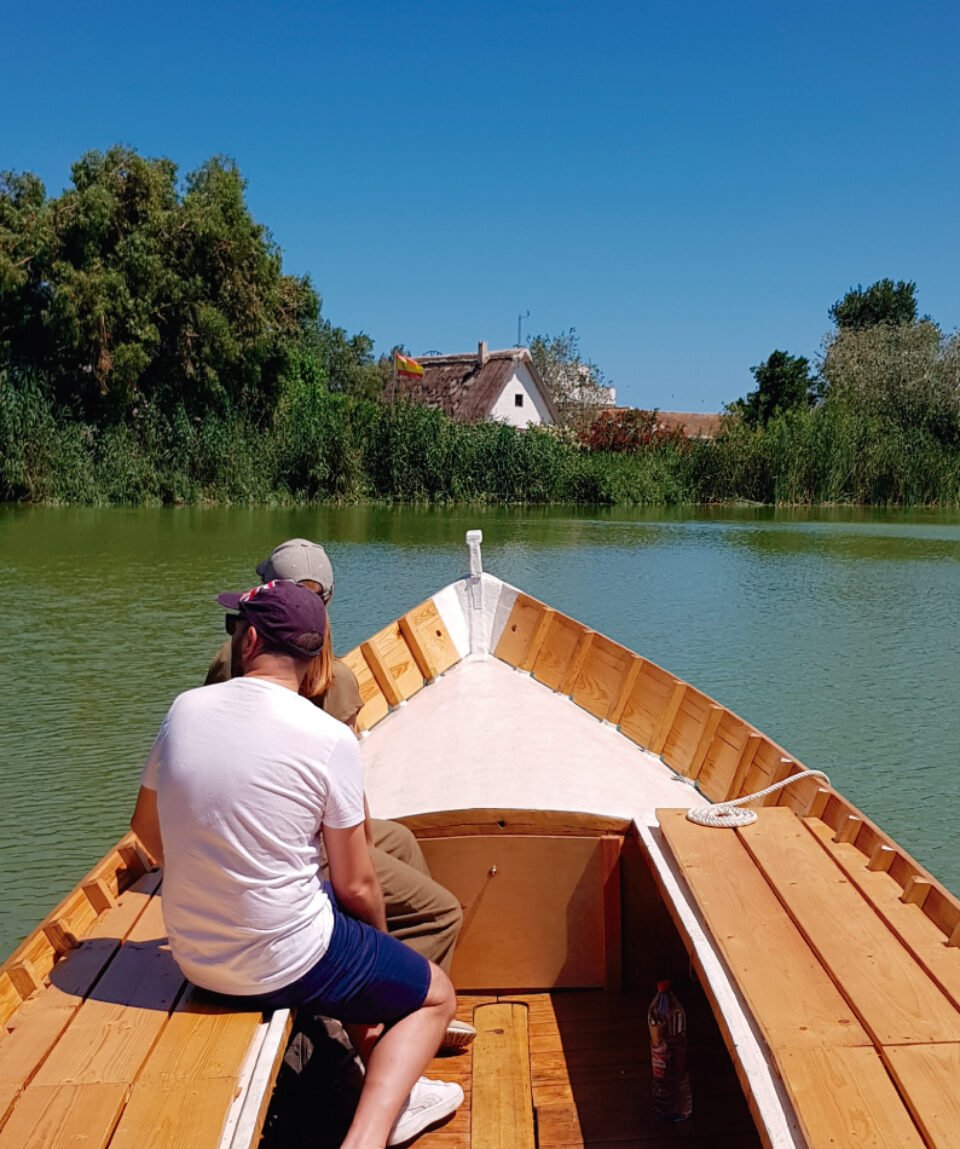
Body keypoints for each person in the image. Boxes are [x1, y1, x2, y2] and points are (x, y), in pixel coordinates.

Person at [131, 580, 464, 1147]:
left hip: (196, 958)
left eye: (236, 627)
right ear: (316, 657)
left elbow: (145, 829)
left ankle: (373, 1070)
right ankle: (368, 1134)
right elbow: (356, 883)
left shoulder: (184, 709)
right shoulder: (330, 738)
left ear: (252, 638)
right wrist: (379, 953)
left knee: (335, 929)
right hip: (283, 959)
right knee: (435, 995)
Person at [205, 540, 471, 1028]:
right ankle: (392, 1006)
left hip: (240, 834)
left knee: (404, 841)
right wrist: (363, 860)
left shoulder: (229, 661)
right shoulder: (337, 677)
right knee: (442, 913)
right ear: (324, 602)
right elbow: (353, 820)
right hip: (307, 844)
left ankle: (398, 989)